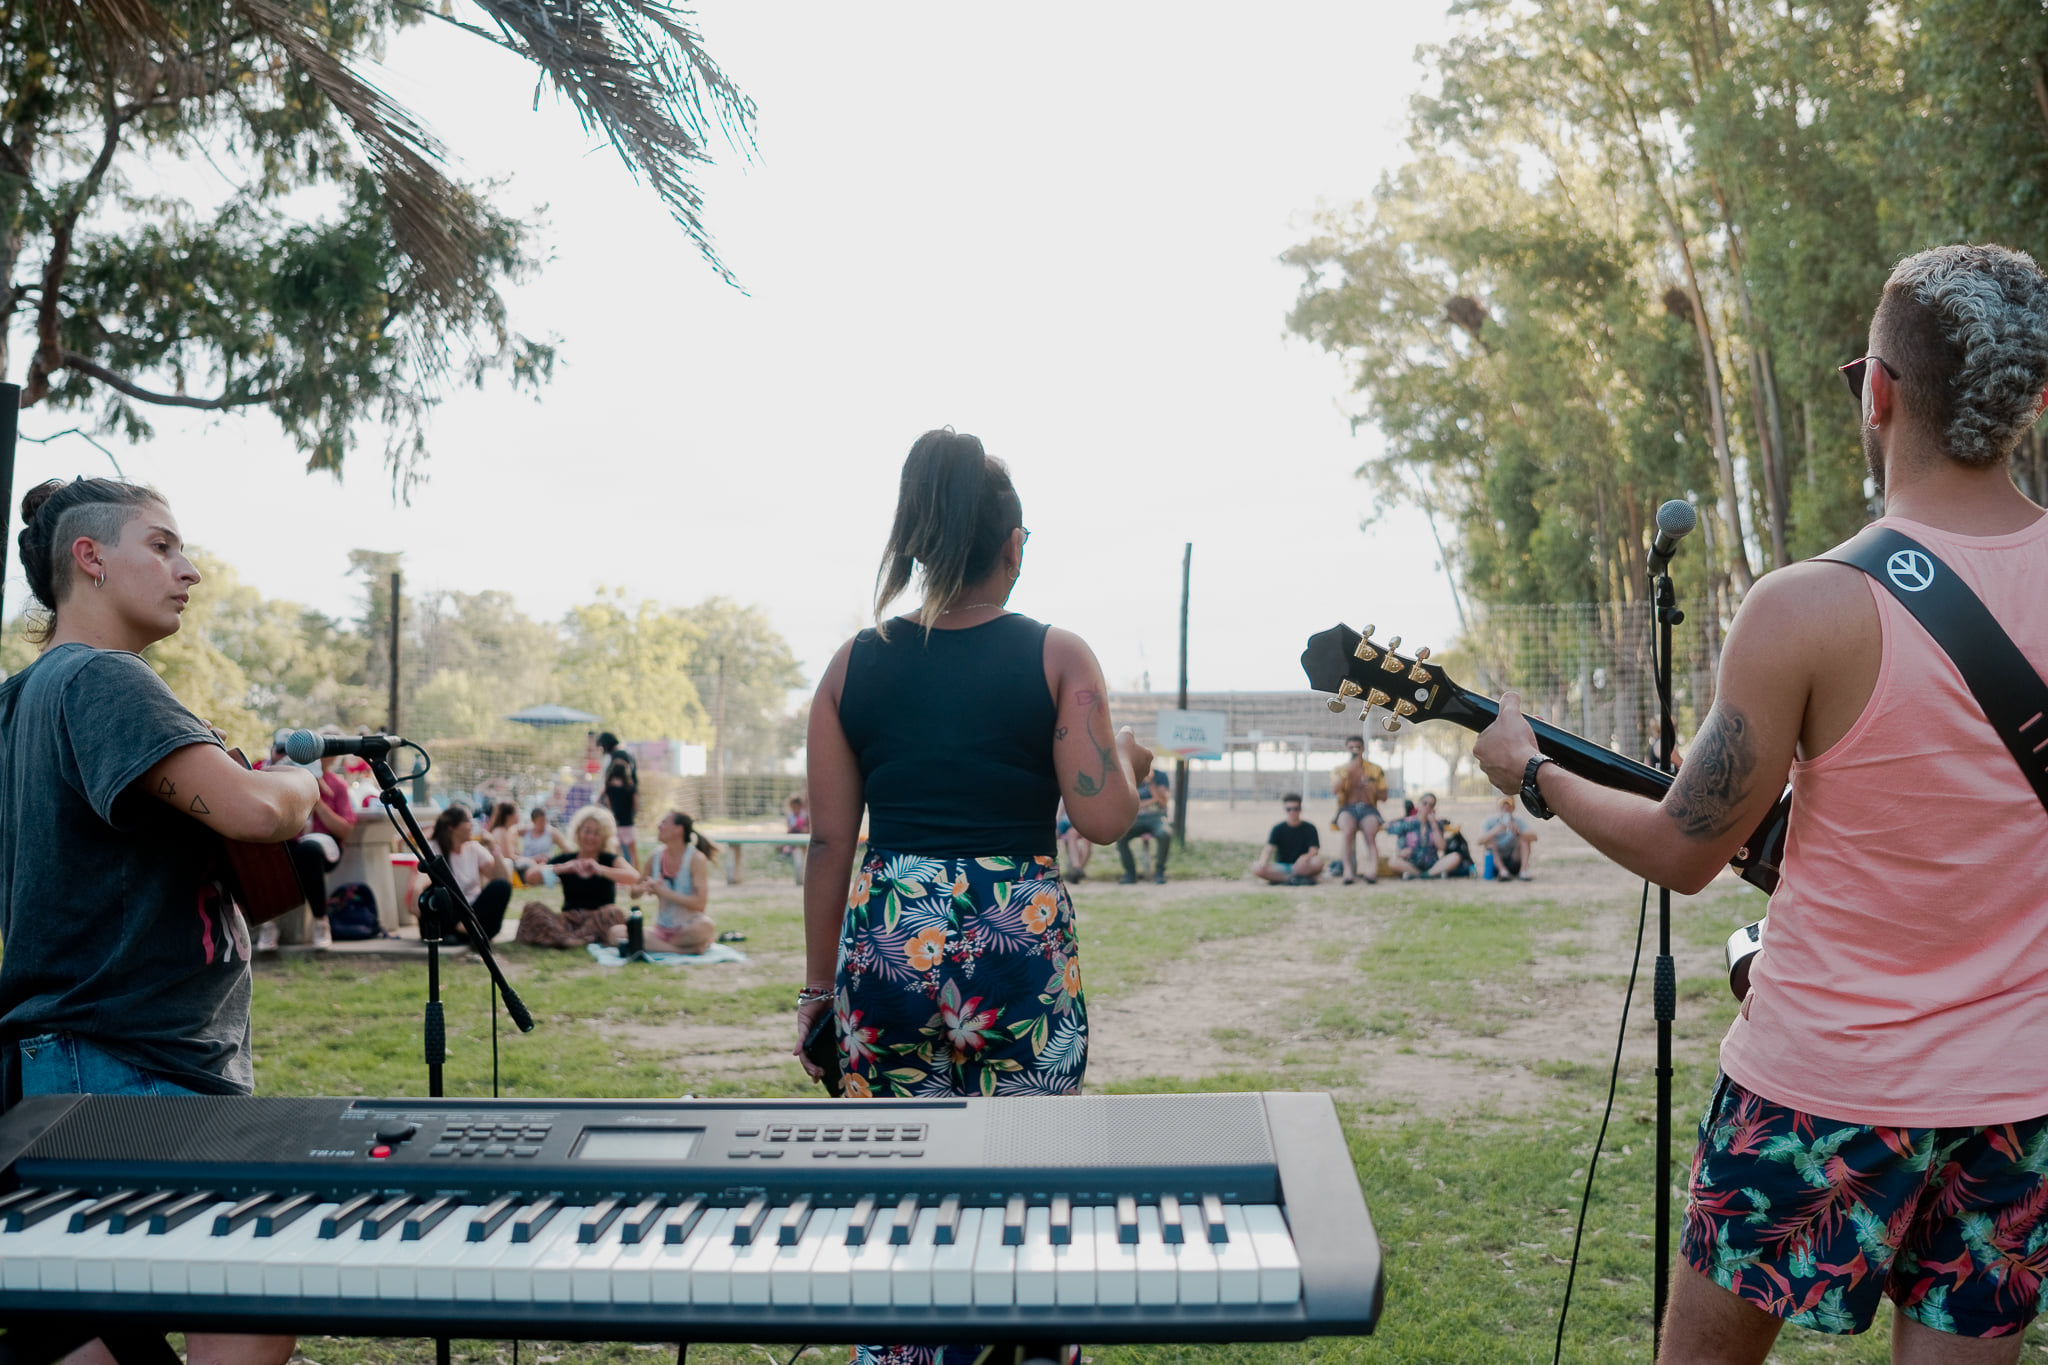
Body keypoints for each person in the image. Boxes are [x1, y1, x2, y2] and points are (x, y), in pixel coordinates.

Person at [1473, 244, 2048, 1364]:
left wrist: (1530, 773)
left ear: (1875, 391)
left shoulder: (1805, 609)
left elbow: (1681, 852)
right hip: (2017, 1094)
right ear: (2029, 402)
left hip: (1818, 1084)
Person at [0, 476, 316, 1365]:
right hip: (133, 1066)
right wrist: (300, 782)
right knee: (254, 1297)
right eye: (164, 545)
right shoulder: (105, 678)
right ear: (89, 558)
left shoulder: (23, 696)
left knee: (104, 1329)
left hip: (69, 1064)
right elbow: (256, 811)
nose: (191, 569)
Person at [257, 729, 358, 951]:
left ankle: (321, 922)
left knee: (308, 852)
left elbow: (345, 830)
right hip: (289, 844)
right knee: (275, 851)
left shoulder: (337, 786)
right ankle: (269, 923)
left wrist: (316, 799)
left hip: (323, 848)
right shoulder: (286, 775)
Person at [516, 805, 639, 947]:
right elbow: (529, 877)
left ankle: (568, 940)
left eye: (596, 833)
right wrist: (563, 868)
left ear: (604, 837)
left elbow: (635, 877)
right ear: (578, 832)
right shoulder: (567, 859)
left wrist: (600, 870)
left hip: (599, 919)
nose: (591, 837)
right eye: (587, 831)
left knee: (613, 913)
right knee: (532, 909)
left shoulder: (610, 859)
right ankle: (574, 939)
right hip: (569, 921)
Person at [635, 810, 719, 954]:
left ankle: (661, 947)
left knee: (706, 926)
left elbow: (700, 903)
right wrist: (644, 887)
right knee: (617, 933)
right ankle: (683, 950)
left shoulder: (696, 859)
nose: (659, 827)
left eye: (664, 823)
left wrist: (665, 893)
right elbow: (633, 893)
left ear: (678, 830)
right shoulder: (654, 856)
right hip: (660, 930)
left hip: (687, 928)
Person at [431, 805, 513, 943]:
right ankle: (465, 931)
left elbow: (501, 877)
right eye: (468, 821)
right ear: (452, 827)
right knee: (438, 894)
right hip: (451, 911)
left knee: (502, 886)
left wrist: (493, 847)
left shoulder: (474, 848)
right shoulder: (434, 848)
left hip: (473, 912)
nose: (473, 825)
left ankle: (466, 932)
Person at [1331, 733, 1386, 884]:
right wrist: (1347, 774)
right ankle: (1347, 872)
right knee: (1347, 833)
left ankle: (1372, 871)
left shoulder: (1375, 770)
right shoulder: (1340, 770)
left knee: (1370, 835)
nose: (1355, 750)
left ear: (1363, 749)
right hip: (1347, 808)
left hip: (1369, 808)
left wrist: (1372, 788)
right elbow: (1334, 790)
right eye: (1351, 748)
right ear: (1346, 749)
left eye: (1358, 747)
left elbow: (1384, 796)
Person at [1115, 766, 1173, 883]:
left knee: (1165, 834)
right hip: (1135, 818)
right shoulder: (1129, 777)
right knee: (1119, 835)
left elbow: (1163, 801)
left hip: (1156, 817)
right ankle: (1130, 873)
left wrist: (1150, 782)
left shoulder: (1160, 776)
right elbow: (1129, 805)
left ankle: (1160, 872)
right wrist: (1152, 800)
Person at [1252, 793, 1325, 884]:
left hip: (1302, 866)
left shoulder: (1310, 828)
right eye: (1288, 809)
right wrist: (1263, 862)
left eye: (1295, 809)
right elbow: (1269, 848)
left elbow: (1314, 850)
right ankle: (1293, 879)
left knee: (1318, 862)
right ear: (1285, 810)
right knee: (1257, 867)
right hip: (1282, 867)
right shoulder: (1278, 828)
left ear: (1300, 809)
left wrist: (1304, 858)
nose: (1292, 812)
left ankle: (1281, 879)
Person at [1385, 791, 1458, 878]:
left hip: (1432, 864)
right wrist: (1400, 853)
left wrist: (1434, 825)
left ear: (1433, 809)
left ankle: (1427, 874)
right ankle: (1419, 874)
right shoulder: (1407, 823)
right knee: (1393, 861)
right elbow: (1388, 827)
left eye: (1431, 805)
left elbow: (1442, 847)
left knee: (1455, 856)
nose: (1427, 807)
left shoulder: (1437, 824)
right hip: (1411, 863)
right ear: (1418, 804)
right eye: (1425, 803)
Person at [598, 730, 639, 864]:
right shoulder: (624, 753)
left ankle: (628, 869)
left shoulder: (619, 755)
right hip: (623, 804)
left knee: (624, 844)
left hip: (622, 803)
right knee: (624, 844)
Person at [1478, 795, 1535, 880]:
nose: (1505, 809)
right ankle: (1503, 871)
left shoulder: (1518, 822)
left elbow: (1534, 837)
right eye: (1503, 807)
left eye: (1508, 807)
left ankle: (1523, 871)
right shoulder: (1490, 821)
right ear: (1498, 807)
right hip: (1496, 862)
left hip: (1514, 860)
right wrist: (1495, 830)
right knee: (1489, 842)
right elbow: (1479, 841)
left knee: (1525, 839)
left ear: (1513, 808)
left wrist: (1519, 832)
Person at [1056, 797, 1093, 881]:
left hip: (1081, 823)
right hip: (1070, 823)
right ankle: (1078, 868)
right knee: (1074, 835)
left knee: (1084, 839)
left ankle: (1077, 868)